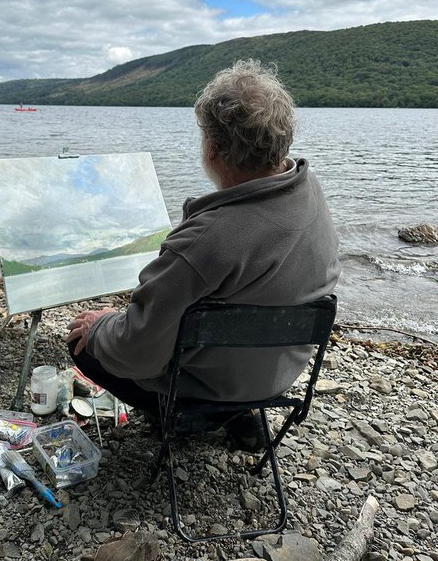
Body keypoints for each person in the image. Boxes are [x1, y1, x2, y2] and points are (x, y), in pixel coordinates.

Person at [66, 59, 340, 436]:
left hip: (209, 389)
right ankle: (241, 417)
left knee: (83, 343)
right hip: (276, 379)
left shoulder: (204, 241)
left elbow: (136, 350)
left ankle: (195, 418)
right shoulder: (310, 192)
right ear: (282, 142)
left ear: (212, 148)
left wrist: (100, 327)